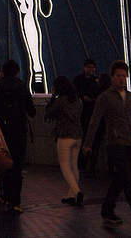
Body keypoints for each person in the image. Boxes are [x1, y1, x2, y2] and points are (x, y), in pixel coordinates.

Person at [82, 60, 131, 229]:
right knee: (128, 180)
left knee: (120, 180)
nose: (121, 79)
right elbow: (95, 121)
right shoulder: (105, 97)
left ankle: (107, 210)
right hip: (114, 144)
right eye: (118, 76)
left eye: (124, 75)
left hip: (129, 143)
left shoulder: (130, 97)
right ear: (112, 77)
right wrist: (88, 144)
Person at [0, 58, 35, 213]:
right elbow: (31, 111)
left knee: (4, 165)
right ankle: (15, 201)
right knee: (17, 166)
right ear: (17, 71)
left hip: (2, 131)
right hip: (19, 131)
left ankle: (6, 195)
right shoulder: (21, 86)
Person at [44, 75, 83, 205]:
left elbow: (49, 113)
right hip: (77, 135)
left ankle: (77, 191)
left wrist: (53, 97)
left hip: (64, 135)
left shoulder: (60, 100)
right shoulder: (77, 100)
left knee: (65, 167)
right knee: (74, 166)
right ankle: (71, 195)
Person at [74, 58, 100, 173]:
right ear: (84, 68)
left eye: (92, 67)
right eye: (89, 67)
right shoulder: (80, 80)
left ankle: (88, 165)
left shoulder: (96, 81)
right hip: (84, 114)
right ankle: (84, 164)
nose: (91, 69)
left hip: (91, 113)